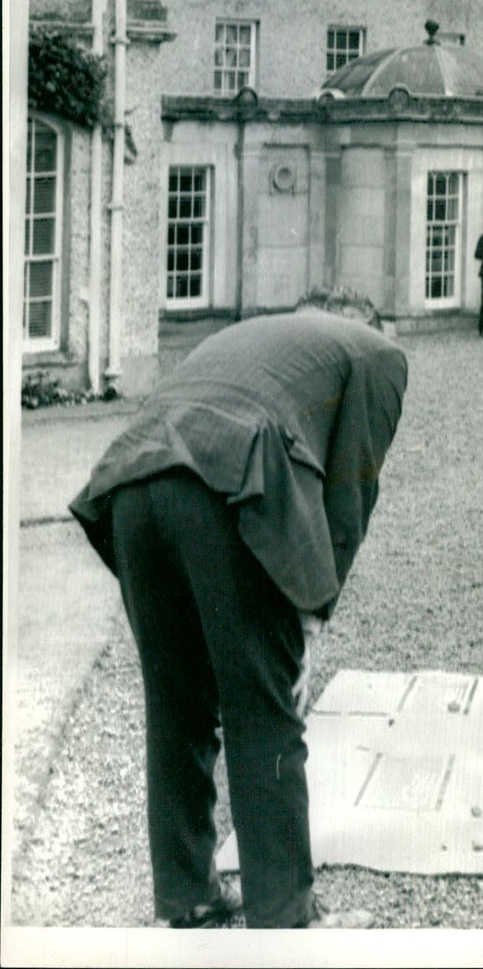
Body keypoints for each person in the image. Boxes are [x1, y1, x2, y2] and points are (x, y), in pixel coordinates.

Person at [69, 287, 408, 930]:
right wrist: (310, 618)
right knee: (265, 712)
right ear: (367, 324)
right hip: (225, 488)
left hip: (132, 487)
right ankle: (286, 918)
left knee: (178, 706)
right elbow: (350, 492)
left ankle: (188, 895)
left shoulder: (262, 337)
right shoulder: (378, 353)